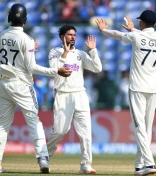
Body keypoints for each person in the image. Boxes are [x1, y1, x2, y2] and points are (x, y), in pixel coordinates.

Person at [0, 3, 72, 174]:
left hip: (4, 83)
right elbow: (31, 68)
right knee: (34, 121)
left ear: (9, 17)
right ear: (25, 19)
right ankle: (42, 158)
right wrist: (56, 70)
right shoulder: (27, 40)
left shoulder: (1, 36)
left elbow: (12, 53)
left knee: (3, 124)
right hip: (21, 85)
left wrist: (30, 50)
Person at [95, 9, 156, 176]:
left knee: (139, 127)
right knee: (147, 129)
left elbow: (117, 35)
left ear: (142, 23)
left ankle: (149, 163)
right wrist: (133, 29)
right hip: (154, 88)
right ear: (154, 24)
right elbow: (144, 35)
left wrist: (103, 30)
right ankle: (139, 166)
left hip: (137, 88)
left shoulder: (136, 37)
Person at [47, 24, 102, 174]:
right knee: (60, 130)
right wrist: (64, 53)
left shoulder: (80, 54)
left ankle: (86, 164)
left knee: (85, 132)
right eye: (69, 34)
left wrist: (93, 50)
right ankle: (45, 156)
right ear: (62, 37)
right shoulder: (55, 52)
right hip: (63, 94)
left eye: (74, 35)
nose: (73, 37)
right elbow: (54, 70)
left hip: (80, 94)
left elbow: (97, 68)